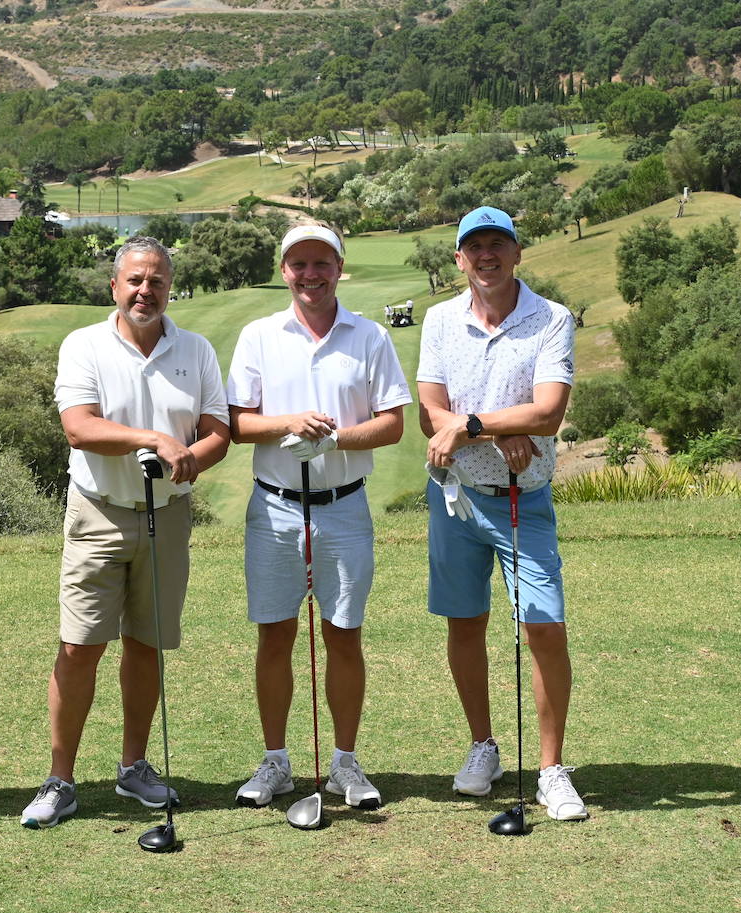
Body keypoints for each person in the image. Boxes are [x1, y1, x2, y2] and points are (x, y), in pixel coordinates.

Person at [20, 236, 231, 829]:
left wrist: (195, 456)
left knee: (147, 645)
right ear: (115, 286)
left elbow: (218, 429)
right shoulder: (83, 345)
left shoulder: (195, 349)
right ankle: (61, 779)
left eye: (157, 280)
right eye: (135, 280)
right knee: (79, 645)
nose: (146, 290)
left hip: (169, 515)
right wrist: (158, 440)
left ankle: (133, 766)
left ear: (170, 287)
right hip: (99, 512)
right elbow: (79, 428)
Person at [226, 223, 411, 810]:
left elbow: (392, 423)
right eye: (299, 264)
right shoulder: (258, 336)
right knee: (275, 633)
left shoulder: (370, 336)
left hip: (345, 505)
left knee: (344, 634)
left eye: (321, 263)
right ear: (285, 270)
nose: (310, 275)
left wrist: (334, 439)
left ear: (339, 268)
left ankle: (345, 764)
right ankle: (276, 761)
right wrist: (289, 424)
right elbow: (236, 423)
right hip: (275, 508)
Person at [417, 206, 587, 821]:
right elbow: (429, 412)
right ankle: (482, 746)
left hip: (525, 498)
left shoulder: (551, 318)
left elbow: (546, 414)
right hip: (455, 497)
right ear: (459, 259)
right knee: (465, 624)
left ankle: (551, 769)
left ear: (516, 253)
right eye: (474, 247)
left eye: (498, 244)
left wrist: (476, 424)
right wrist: (487, 435)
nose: (486, 256)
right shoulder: (439, 319)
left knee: (543, 625)